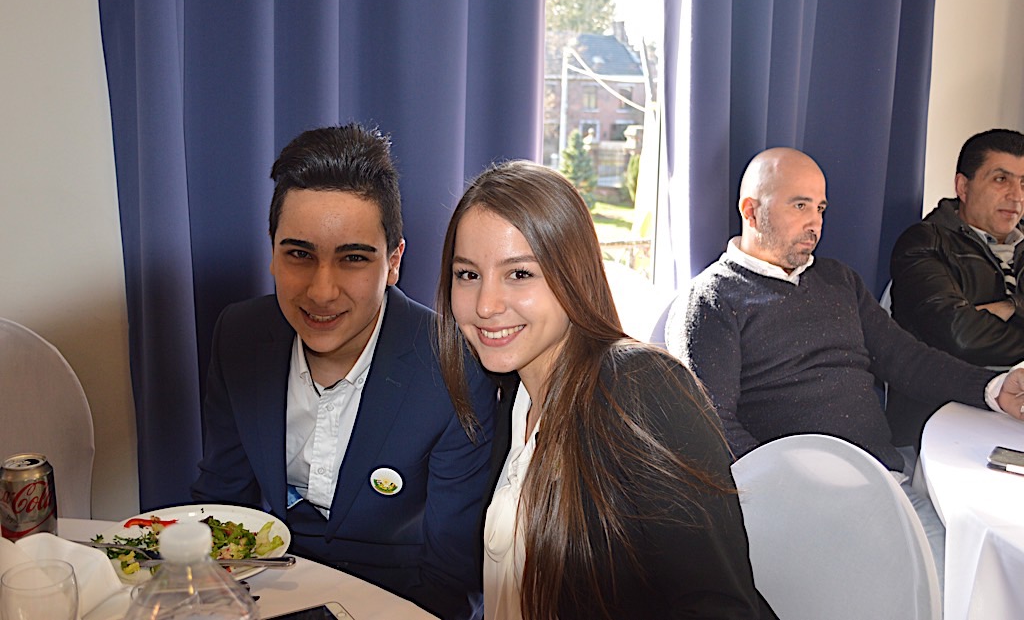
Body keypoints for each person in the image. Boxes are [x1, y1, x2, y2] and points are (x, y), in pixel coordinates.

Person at [435, 161, 775, 620]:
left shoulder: (641, 389)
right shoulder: (510, 397)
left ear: (573, 274)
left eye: (519, 274)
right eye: (468, 275)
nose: (485, 305)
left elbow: (718, 607)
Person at [670, 147, 1024, 584]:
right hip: (802, 507)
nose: (815, 223)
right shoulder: (712, 298)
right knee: (946, 587)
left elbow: (908, 360)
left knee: (978, 573)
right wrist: (806, 489)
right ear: (751, 210)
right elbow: (713, 426)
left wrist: (993, 388)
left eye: (820, 208)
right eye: (800, 205)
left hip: (885, 482)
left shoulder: (838, 280)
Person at [191, 124, 495, 620]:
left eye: (353, 258)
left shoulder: (453, 364)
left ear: (393, 262)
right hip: (267, 591)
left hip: (398, 601)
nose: (322, 291)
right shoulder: (239, 334)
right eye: (299, 254)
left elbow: (452, 577)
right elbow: (223, 505)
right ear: (272, 252)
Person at [889, 129, 1024, 444]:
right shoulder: (925, 243)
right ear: (963, 186)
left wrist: (1010, 308)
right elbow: (962, 336)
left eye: (1023, 183)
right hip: (947, 417)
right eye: (1001, 179)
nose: (1016, 196)